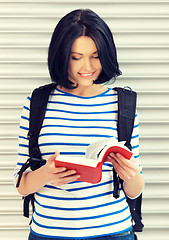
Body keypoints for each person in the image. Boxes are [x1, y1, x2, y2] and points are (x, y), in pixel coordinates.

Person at [15, 9, 144, 240]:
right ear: (62, 55)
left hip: (113, 232)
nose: (87, 67)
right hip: (48, 234)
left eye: (95, 56)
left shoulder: (123, 103)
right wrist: (45, 174)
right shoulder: (37, 102)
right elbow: (21, 185)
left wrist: (130, 174)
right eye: (76, 57)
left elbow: (134, 191)